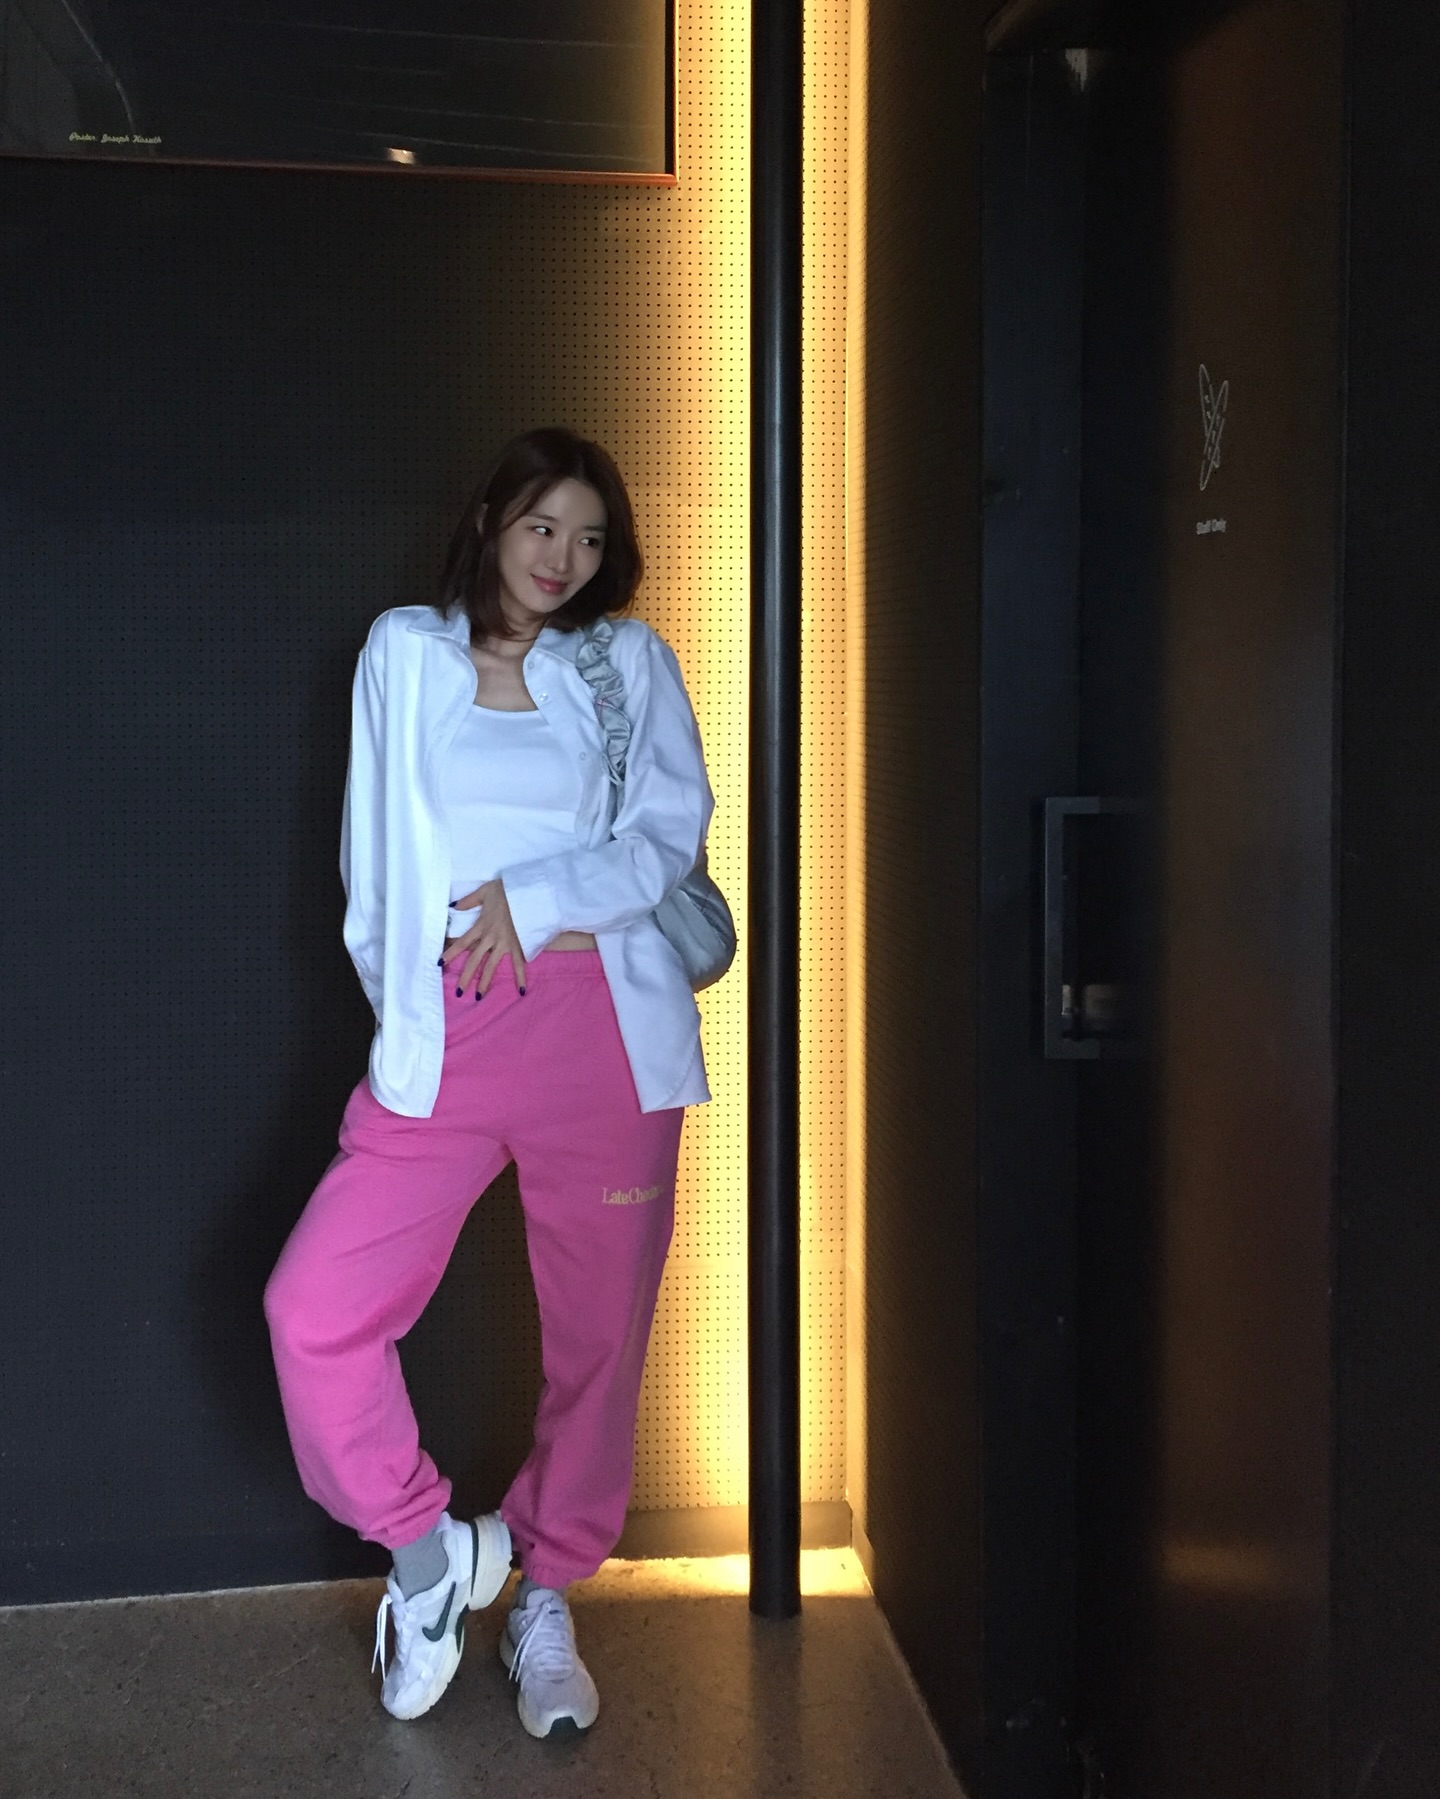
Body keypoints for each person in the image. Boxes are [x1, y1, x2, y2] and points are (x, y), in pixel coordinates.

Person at [263, 426, 714, 1739]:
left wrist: (537, 895)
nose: (562, 558)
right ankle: (431, 1559)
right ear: (491, 524)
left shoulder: (627, 662)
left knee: (599, 1348)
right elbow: (371, 872)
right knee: (314, 1310)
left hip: (604, 1037)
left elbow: (670, 835)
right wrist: (416, 1006)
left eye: (587, 537)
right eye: (541, 527)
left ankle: (546, 1596)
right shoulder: (406, 652)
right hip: (448, 1035)